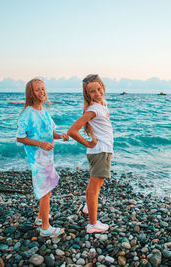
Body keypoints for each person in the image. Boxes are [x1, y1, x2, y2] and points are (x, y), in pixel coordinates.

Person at [16, 77, 69, 237]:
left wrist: (61, 136)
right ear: (31, 93)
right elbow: (20, 137)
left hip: (47, 158)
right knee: (45, 190)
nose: (41, 92)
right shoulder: (27, 113)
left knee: (48, 187)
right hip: (37, 159)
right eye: (37, 89)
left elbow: (50, 133)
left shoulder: (44, 113)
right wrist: (40, 144)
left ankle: (40, 218)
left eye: (43, 89)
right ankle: (45, 228)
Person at [67, 74, 113, 233]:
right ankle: (93, 224)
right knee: (94, 188)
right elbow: (72, 131)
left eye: (99, 89)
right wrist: (87, 143)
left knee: (97, 184)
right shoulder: (93, 109)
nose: (97, 93)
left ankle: (88, 206)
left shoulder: (102, 104)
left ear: (103, 87)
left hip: (103, 150)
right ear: (88, 94)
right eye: (92, 91)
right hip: (100, 151)